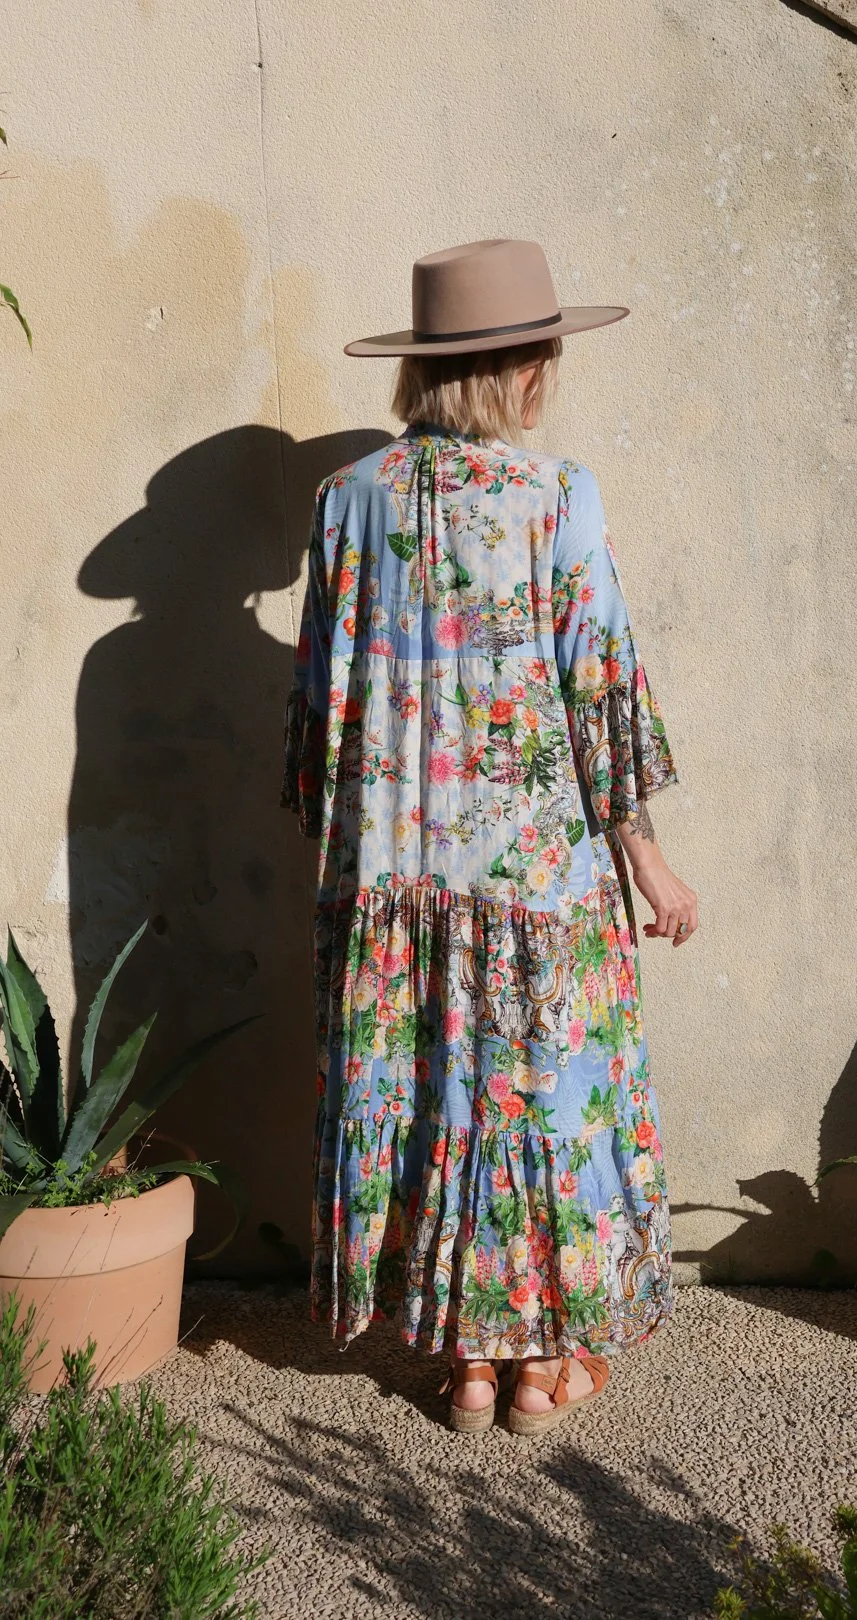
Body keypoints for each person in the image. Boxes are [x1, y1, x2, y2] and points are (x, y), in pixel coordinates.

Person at [281, 238, 698, 1436]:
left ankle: (467, 1363)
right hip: (534, 878)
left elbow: (319, 714)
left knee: (434, 1098)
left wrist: (363, 855)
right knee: (543, 1101)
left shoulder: (345, 500)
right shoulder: (556, 497)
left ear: (422, 369)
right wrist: (646, 856)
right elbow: (596, 687)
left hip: (389, 881)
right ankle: (537, 1359)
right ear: (525, 370)